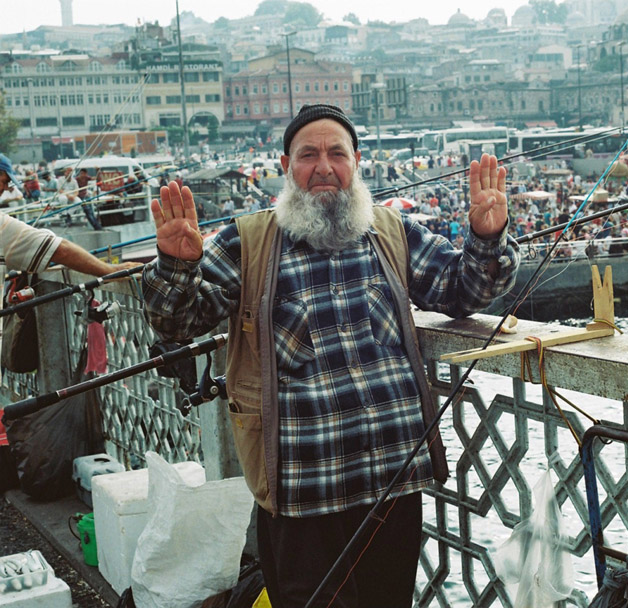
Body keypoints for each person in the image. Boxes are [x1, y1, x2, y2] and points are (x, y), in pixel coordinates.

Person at [141, 103, 519, 608]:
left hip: (392, 484)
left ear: (356, 162)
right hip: (302, 496)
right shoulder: (248, 241)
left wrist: (487, 237)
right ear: (285, 166)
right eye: (308, 154)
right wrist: (175, 266)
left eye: (336, 153)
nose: (323, 166)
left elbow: (463, 291)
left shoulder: (390, 232)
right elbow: (178, 321)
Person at [0, 154, 139, 276]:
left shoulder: (73, 181)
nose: (6, 188)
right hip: (65, 198)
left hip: (73, 198)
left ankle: (72, 217)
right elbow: (60, 250)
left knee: (78, 203)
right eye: (5, 182)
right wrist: (110, 270)